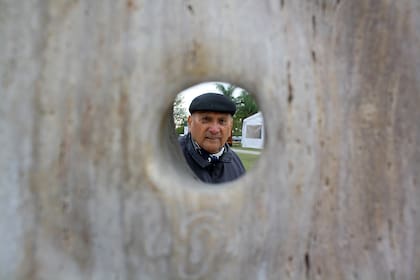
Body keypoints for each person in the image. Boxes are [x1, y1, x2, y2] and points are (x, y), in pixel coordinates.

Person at [179, 93, 246, 183]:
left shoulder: (235, 163)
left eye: (222, 121)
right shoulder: (168, 159)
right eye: (206, 119)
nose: (214, 130)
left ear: (230, 126)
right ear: (190, 122)